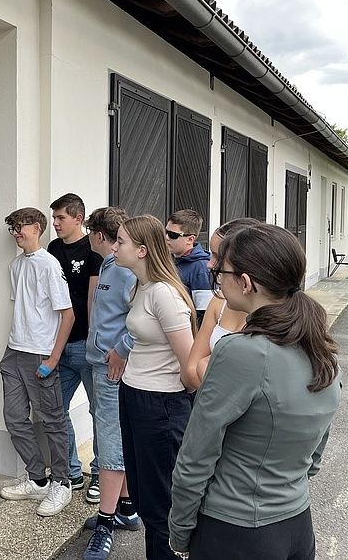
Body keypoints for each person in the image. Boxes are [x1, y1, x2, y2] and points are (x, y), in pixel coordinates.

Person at [169, 224, 342, 560]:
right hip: (296, 523)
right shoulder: (322, 349)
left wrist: (179, 531)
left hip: (235, 530)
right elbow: (314, 456)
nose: (213, 273)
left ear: (246, 283)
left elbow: (195, 457)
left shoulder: (242, 352)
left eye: (221, 271)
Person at [113, 214, 198, 560]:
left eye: (120, 242)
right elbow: (144, 340)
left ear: (143, 251)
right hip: (134, 396)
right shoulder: (140, 287)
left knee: (160, 503)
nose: (114, 247)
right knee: (145, 498)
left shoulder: (164, 294)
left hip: (160, 406)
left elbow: (189, 363)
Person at [0, 207, 76, 517]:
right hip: (14, 351)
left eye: (21, 226)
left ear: (37, 228)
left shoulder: (48, 264)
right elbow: (25, 310)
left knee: (51, 420)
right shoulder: (15, 266)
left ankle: (63, 483)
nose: (16, 232)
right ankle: (38, 479)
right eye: (13, 227)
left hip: (40, 354)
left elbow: (67, 315)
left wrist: (53, 359)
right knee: (15, 418)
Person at [80, 207, 141, 560]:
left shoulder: (123, 270)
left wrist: (120, 351)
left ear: (97, 235)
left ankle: (106, 523)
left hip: (111, 369)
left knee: (110, 442)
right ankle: (128, 509)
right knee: (112, 436)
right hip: (99, 362)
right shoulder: (107, 265)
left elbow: (142, 315)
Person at [48, 193, 103, 499]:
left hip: (86, 345)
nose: (55, 224)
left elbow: (94, 302)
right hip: (60, 345)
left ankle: (97, 474)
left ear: (78, 218)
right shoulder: (54, 248)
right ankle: (71, 470)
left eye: (60, 218)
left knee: (100, 412)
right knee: (55, 409)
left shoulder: (94, 251)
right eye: (54, 218)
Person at [182, 217, 263, 391]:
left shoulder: (276, 314)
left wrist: (204, 365)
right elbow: (189, 370)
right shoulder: (219, 300)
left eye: (217, 256)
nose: (209, 264)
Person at [165, 209, 212, 326]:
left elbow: (203, 313)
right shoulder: (169, 259)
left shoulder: (201, 268)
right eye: (165, 232)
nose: (166, 237)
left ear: (190, 239)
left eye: (172, 235)